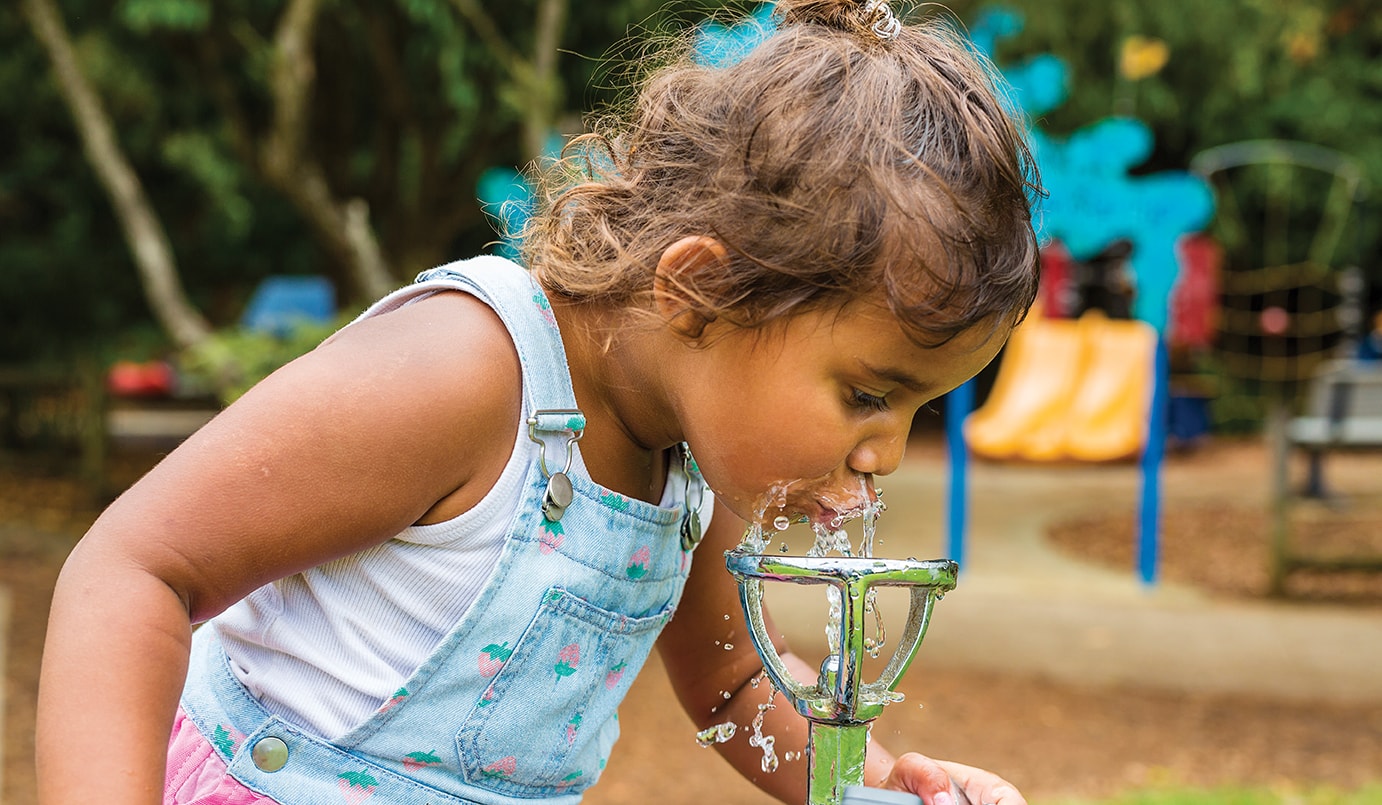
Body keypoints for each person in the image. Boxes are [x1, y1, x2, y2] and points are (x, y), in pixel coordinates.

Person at [36, 1, 1040, 803]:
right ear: (698, 290)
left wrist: (873, 784)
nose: (886, 454)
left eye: (920, 409)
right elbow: (134, 572)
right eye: (870, 392)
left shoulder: (686, 461)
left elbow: (733, 686)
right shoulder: (463, 376)